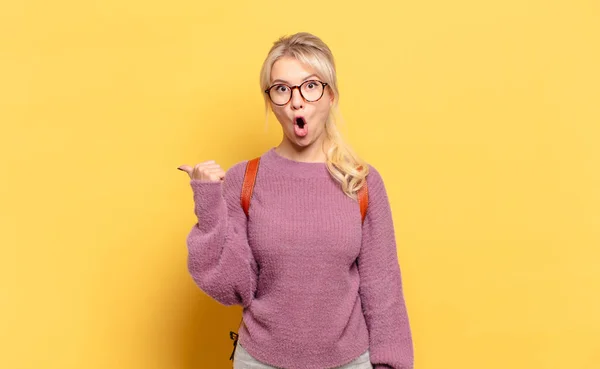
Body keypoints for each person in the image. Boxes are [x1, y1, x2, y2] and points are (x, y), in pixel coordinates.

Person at [178, 32, 413, 369]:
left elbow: (384, 290)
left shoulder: (362, 182)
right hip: (260, 361)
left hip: (349, 362)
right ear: (271, 100)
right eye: (282, 89)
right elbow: (231, 287)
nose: (297, 101)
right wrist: (208, 204)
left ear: (330, 95)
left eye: (311, 85)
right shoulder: (244, 180)